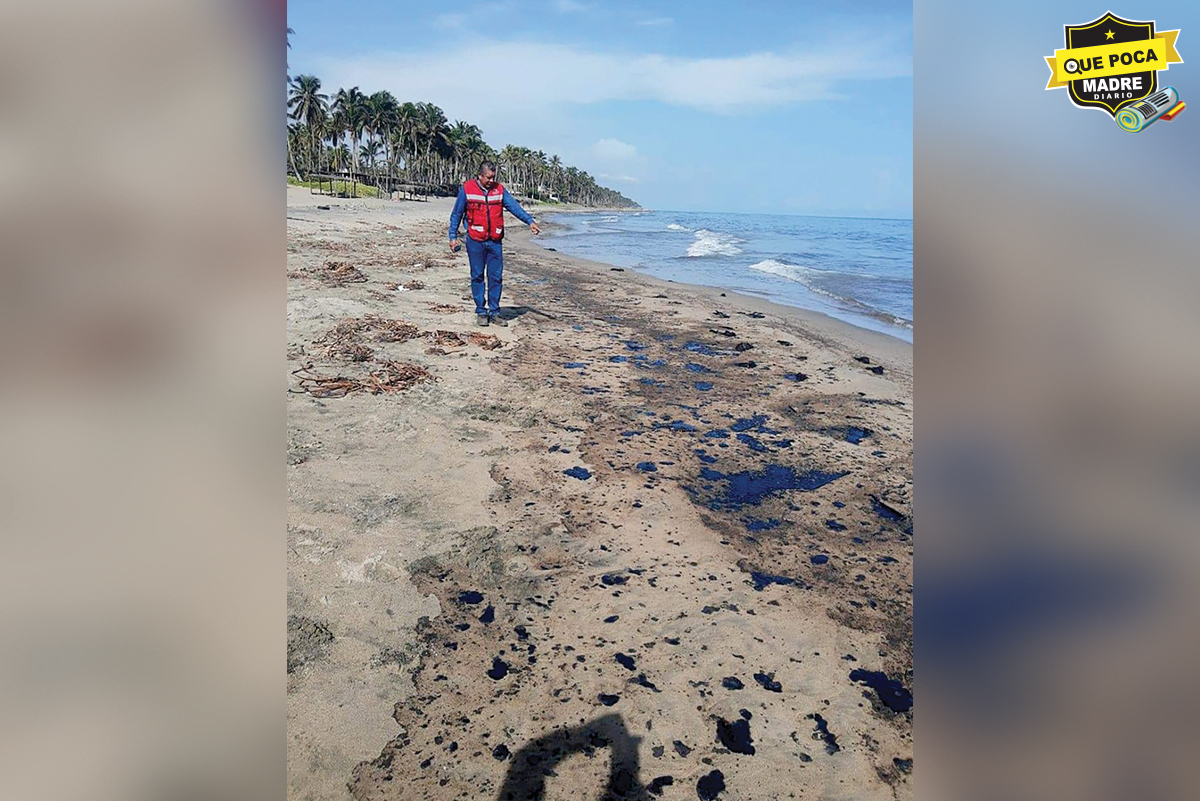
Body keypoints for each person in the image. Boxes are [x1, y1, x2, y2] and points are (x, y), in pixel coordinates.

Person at [448, 162, 541, 326]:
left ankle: (495, 311)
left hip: (495, 241)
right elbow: (456, 214)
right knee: (477, 276)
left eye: (493, 177)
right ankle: (481, 311)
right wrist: (452, 236)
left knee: (496, 277)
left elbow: (514, 207)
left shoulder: (499, 190)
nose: (492, 180)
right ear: (480, 176)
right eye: (488, 177)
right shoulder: (467, 190)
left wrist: (529, 221)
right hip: (475, 240)